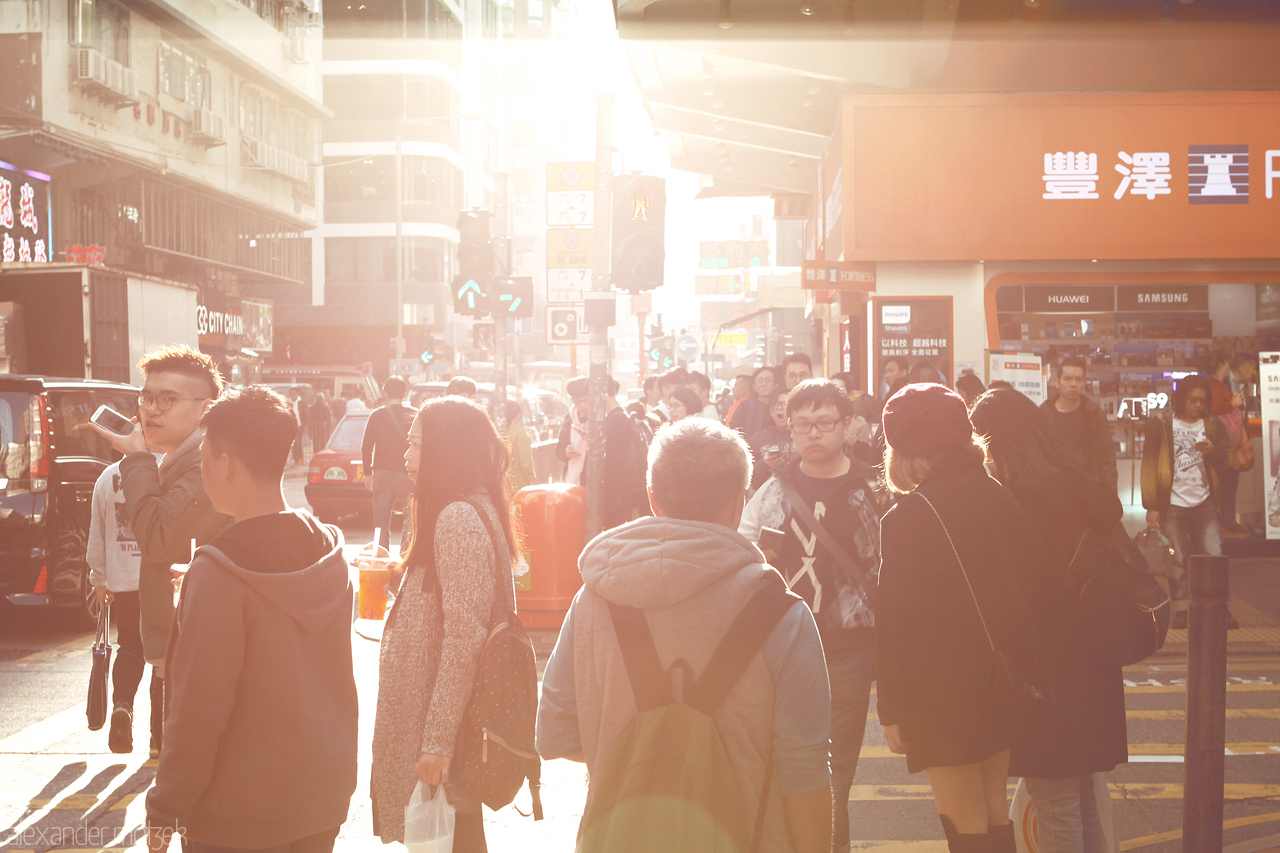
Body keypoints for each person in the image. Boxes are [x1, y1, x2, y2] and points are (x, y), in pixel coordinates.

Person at [536, 418, 834, 853]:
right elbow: (804, 768)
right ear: (739, 503)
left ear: (654, 500)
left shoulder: (595, 600)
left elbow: (555, 734)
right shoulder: (781, 613)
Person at [145, 387, 358, 853]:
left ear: (224, 463)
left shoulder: (219, 573)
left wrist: (164, 808)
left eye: (203, 458)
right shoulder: (329, 550)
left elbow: (197, 713)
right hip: (320, 795)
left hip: (239, 814)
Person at [876, 383, 1045, 853]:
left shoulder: (908, 515)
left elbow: (895, 619)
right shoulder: (1000, 496)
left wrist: (892, 708)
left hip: (938, 688)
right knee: (993, 812)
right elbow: (1034, 586)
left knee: (963, 824)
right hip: (1002, 678)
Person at [970, 388, 1128, 853]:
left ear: (996, 441)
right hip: (1093, 661)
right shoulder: (1073, 481)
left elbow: (1022, 594)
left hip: (1047, 672)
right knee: (1080, 800)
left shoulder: (1022, 498)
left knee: (1057, 806)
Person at [371, 396, 519, 852]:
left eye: (415, 445)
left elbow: (463, 638)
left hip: (440, 730)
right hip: (441, 723)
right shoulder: (464, 507)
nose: (406, 457)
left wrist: (437, 743)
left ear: (446, 451)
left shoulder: (458, 517)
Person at [739, 380, 881, 852]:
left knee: (834, 771)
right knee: (777, 763)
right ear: (790, 429)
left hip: (847, 649)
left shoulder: (872, 489)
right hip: (777, 646)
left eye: (825, 423)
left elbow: (891, 568)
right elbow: (744, 556)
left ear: (846, 426)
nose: (814, 434)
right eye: (803, 425)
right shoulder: (773, 491)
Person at [86, 345, 233, 758]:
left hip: (198, 648)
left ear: (206, 409)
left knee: (185, 771)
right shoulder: (178, 458)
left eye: (167, 400)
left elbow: (157, 540)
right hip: (182, 640)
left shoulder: (205, 461)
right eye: (147, 398)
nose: (152, 410)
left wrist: (135, 459)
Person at [1141, 374, 1231, 630]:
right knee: (1177, 559)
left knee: (1214, 554)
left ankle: (1219, 609)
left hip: (1205, 501)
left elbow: (1228, 460)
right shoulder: (1162, 423)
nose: (1199, 405)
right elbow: (1149, 464)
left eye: (1203, 401)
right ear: (1181, 399)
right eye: (1193, 400)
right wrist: (1152, 506)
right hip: (1173, 503)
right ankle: (1181, 612)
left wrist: (1213, 450)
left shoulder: (1212, 424)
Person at [88, 455, 163, 755]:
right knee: (163, 657)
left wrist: (100, 579)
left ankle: (122, 706)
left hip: (124, 582)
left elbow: (97, 535)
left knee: (130, 647)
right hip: (159, 576)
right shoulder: (164, 470)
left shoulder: (106, 478)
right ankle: (159, 737)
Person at [1038, 358, 1117, 495]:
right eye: (1067, 379)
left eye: (1079, 379)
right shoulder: (1044, 415)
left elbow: (1107, 462)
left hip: (1089, 493)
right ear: (1057, 382)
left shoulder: (1094, 415)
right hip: (1054, 493)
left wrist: (1111, 501)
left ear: (1084, 383)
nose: (1073, 384)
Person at [362, 377, 415, 554]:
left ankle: (381, 561)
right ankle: (406, 561)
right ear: (405, 394)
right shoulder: (414, 415)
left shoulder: (376, 415)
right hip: (409, 474)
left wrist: (367, 473)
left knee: (380, 522)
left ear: (385, 394)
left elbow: (366, 446)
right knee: (411, 520)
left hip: (382, 475)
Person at [1204, 351, 1248, 533]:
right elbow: (1213, 408)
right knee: (1226, 483)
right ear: (1221, 365)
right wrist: (1233, 404)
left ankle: (1225, 521)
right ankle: (1225, 522)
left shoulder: (1215, 384)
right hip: (1223, 443)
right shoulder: (1214, 385)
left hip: (1221, 442)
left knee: (1226, 483)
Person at [603, 376, 651, 529]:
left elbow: (613, 463)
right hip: (626, 494)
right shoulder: (620, 416)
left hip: (623, 495)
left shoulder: (616, 420)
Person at [747, 393, 795, 491]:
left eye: (784, 404)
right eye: (775, 404)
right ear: (769, 411)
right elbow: (747, 474)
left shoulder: (803, 434)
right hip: (766, 496)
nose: (779, 408)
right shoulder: (758, 438)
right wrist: (765, 463)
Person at [729, 366, 780, 438]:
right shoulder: (744, 407)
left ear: (776, 385)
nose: (764, 384)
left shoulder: (781, 407)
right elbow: (733, 431)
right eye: (759, 380)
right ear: (753, 386)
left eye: (769, 380)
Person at [556, 376, 589, 485]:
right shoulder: (569, 419)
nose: (582, 405)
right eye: (577, 402)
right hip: (571, 479)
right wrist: (566, 452)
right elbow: (559, 450)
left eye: (585, 400)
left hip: (591, 481)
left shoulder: (600, 419)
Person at [505, 400, 537, 493]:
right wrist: (531, 480)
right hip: (520, 483)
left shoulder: (501, 431)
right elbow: (526, 461)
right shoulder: (520, 433)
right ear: (518, 414)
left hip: (505, 484)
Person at [288, 388, 307, 466]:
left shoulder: (301, 402)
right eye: (291, 394)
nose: (293, 395)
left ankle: (300, 458)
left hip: (300, 425)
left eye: (294, 393)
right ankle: (296, 459)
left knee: (298, 442)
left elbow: (306, 414)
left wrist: (306, 425)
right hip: (292, 426)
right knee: (294, 443)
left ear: (297, 393)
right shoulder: (289, 403)